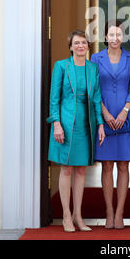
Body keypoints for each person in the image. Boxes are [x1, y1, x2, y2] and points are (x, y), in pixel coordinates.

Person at [47, 30, 105, 233]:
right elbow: (54, 98)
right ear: (71, 47)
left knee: (81, 169)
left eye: (84, 43)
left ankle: (78, 216)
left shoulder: (92, 68)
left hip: (86, 124)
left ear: (88, 46)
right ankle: (65, 216)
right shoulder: (61, 66)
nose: (80, 46)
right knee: (66, 168)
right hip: (65, 124)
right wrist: (56, 123)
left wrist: (99, 124)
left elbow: (97, 97)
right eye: (76, 43)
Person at [91, 20, 130, 229]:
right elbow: (94, 88)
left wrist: (124, 111)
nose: (115, 38)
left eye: (118, 34)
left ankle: (120, 213)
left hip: (125, 115)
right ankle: (109, 213)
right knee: (106, 165)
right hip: (104, 115)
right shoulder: (95, 58)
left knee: (122, 165)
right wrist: (104, 113)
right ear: (105, 37)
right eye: (111, 34)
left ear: (123, 37)